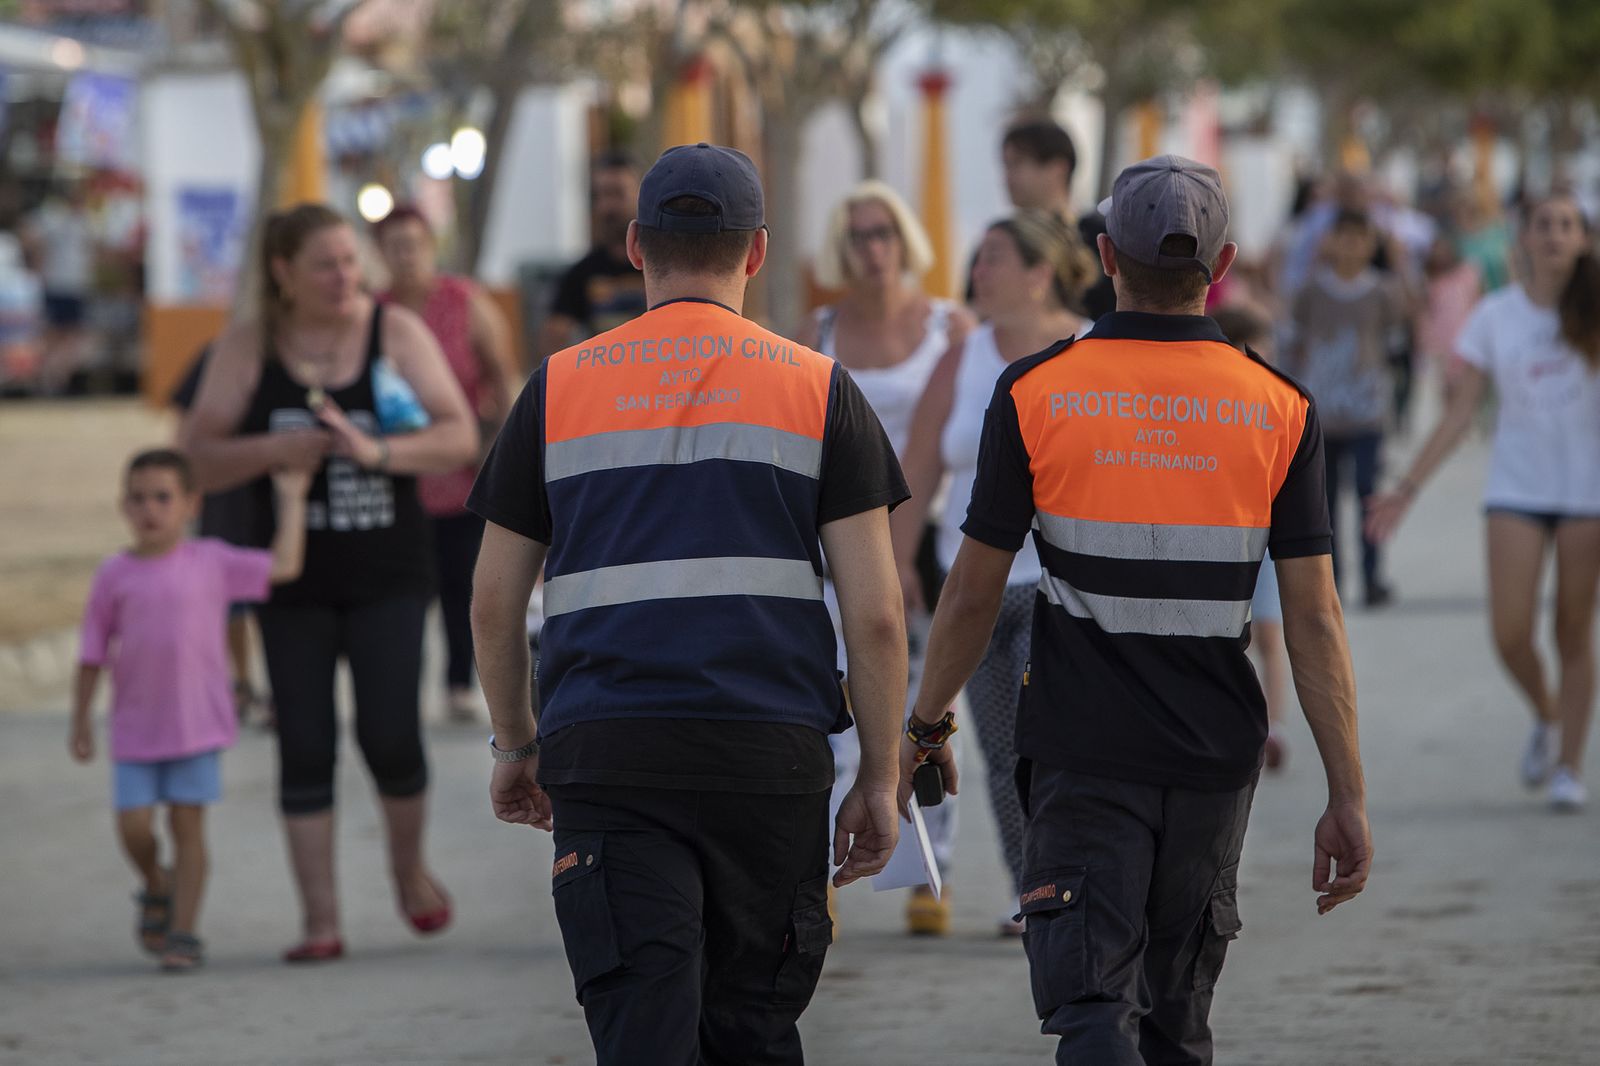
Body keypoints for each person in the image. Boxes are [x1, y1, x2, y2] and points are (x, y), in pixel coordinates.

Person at [903, 156, 1373, 1065]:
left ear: (1106, 254)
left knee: (1091, 1009)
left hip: (1082, 750)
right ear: (1223, 263)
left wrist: (922, 728)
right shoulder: (1280, 408)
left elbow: (971, 591)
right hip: (1212, 755)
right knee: (1175, 1021)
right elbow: (1313, 621)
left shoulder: (1036, 391)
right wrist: (1345, 791)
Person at [469, 143, 909, 1066]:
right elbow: (874, 614)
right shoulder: (822, 390)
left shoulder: (557, 389)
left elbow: (492, 600)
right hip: (768, 758)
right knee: (752, 1028)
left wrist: (516, 744)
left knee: (644, 1033)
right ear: (755, 254)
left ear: (635, 246)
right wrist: (879, 773)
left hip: (609, 754)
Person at [181, 203, 479, 962]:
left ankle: (408, 872)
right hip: (288, 580)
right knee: (305, 744)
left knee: (389, 733)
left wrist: (377, 455)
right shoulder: (251, 345)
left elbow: (457, 436)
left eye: (351, 260)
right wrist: (275, 449)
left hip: (389, 572)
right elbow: (198, 454)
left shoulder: (393, 333)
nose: (347, 276)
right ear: (282, 272)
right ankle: (321, 920)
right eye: (326, 263)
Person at [892, 209, 1092, 934]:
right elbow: (916, 465)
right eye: (978, 259)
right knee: (1004, 751)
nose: (978, 272)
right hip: (971, 587)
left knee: (1056, 745)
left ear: (1040, 274)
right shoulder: (964, 356)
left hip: (1061, 589)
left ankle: (1071, 877)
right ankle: (1030, 890)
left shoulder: (1090, 348)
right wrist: (892, 567)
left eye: (995, 259)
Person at [1370, 193, 1600, 812]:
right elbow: (1459, 414)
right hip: (1516, 490)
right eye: (1543, 225)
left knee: (1573, 632)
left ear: (1583, 239)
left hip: (1587, 494)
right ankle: (1547, 715)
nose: (1554, 235)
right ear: (1521, 239)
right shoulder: (1496, 316)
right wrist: (1407, 488)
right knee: (1510, 632)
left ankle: (1568, 769)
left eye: (1567, 225)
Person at [796, 179, 974, 935]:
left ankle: (933, 869)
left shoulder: (949, 326)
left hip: (930, 542)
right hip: (839, 542)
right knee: (836, 701)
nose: (873, 249)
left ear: (906, 242)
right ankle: (827, 864)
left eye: (885, 234)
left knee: (929, 711)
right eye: (860, 235)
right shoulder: (819, 329)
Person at [70, 449, 311, 971]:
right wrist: (81, 722)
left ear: (190, 504)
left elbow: (286, 566)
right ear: (123, 507)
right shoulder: (113, 574)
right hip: (134, 728)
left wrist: (291, 500)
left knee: (188, 828)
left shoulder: (213, 561)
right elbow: (91, 653)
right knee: (133, 828)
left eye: (162, 497)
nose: (149, 509)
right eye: (137, 499)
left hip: (197, 725)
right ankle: (156, 883)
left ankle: (183, 932)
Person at [374, 204, 520, 722]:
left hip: (463, 466)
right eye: (395, 246)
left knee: (464, 578)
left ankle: (460, 681)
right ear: (382, 254)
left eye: (414, 244)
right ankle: (398, 683)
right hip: (397, 468)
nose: (406, 255)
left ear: (429, 246)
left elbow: (500, 374)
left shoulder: (464, 302)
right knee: (407, 583)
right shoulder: (373, 312)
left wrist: (503, 449)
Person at [1284, 209, 1407, 608]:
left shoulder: (1383, 291)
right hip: (1322, 414)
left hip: (1367, 414)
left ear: (1372, 244)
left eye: (1360, 237)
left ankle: (1373, 576)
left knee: (1369, 495)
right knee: (1325, 503)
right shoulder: (1311, 291)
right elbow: (1294, 341)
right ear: (1329, 242)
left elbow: (1396, 340)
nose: (1351, 246)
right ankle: (1331, 581)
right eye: (1343, 236)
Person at [170, 344, 275, 727]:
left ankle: (279, 687)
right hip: (224, 494)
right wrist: (182, 485)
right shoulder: (217, 354)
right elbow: (185, 425)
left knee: (274, 589)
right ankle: (241, 681)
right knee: (227, 595)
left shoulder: (295, 356)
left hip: (276, 494)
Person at [1212, 303, 1292, 769]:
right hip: (1221, 537)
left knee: (1268, 633)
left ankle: (1274, 728)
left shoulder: (1277, 404)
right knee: (1225, 636)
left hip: (1263, 539)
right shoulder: (1212, 406)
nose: (1266, 364)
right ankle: (1234, 722)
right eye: (1256, 354)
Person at [997, 119, 1114, 320]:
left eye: (1018, 163)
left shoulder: (1100, 235)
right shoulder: (999, 243)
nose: (1008, 176)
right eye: (1006, 165)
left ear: (1058, 168)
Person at [538, 151, 647, 357]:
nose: (607, 206)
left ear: (642, 196)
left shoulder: (662, 266)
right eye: (601, 195)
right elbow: (554, 341)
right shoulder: (581, 273)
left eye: (617, 194)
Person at [21, 183, 95, 394]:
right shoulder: (55, 217)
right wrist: (37, 266)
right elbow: (30, 236)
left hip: (74, 286)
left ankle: (54, 378)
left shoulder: (82, 221)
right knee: (56, 335)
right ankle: (49, 378)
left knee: (70, 337)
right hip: (59, 284)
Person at [1415, 230, 1483, 408]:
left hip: (1463, 342)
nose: (1440, 254)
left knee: (1462, 393)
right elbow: (1423, 312)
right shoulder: (1428, 281)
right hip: (1437, 344)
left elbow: (1478, 303)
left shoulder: (1467, 274)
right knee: (1439, 393)